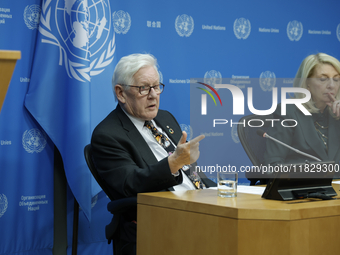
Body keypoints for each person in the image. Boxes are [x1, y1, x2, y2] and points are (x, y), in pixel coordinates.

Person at [91, 53, 215, 255]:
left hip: (200, 210)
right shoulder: (107, 135)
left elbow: (193, 177)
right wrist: (172, 164)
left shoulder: (165, 118)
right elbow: (129, 184)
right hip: (160, 223)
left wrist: (218, 193)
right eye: (143, 88)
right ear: (121, 93)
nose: (153, 95)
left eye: (157, 87)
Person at [263, 53, 340, 173]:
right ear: (307, 83)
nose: (332, 85)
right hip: (303, 188)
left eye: (336, 79)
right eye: (323, 79)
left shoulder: (337, 115)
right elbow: (272, 165)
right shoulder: (288, 112)